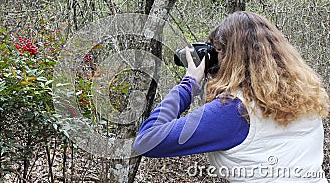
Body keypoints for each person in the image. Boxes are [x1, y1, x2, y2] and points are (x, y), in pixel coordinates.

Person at [133, 11, 329, 182]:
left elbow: (148, 140)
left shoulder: (235, 111)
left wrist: (188, 85)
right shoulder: (307, 97)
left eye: (217, 51)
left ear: (230, 57)